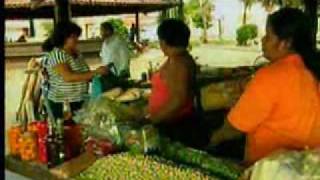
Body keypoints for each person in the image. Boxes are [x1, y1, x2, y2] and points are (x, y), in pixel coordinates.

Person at [210, 8, 320, 165]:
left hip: (269, 169)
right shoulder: (311, 70)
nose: (262, 40)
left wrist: (213, 140)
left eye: (268, 36)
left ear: (285, 43)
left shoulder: (271, 76)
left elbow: (234, 128)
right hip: (307, 168)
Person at [146, 19, 208, 148]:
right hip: (174, 121)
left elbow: (179, 100)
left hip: (174, 125)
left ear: (163, 41)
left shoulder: (177, 63)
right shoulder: (181, 58)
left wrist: (153, 120)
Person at [43, 22, 108, 119]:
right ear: (63, 38)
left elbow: (84, 73)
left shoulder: (77, 53)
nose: (76, 40)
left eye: (77, 36)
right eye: (73, 37)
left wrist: (97, 76)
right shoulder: (57, 54)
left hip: (80, 99)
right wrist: (95, 72)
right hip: (64, 103)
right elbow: (68, 77)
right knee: (67, 130)